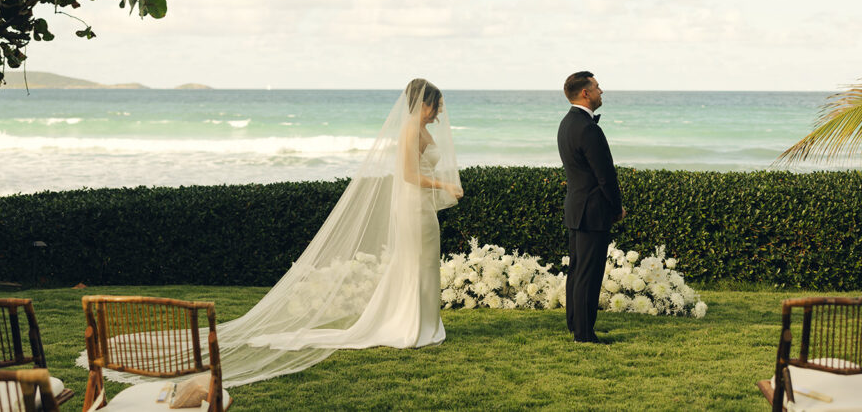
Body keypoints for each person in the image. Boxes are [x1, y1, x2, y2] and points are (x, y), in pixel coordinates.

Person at [77, 79, 463, 388]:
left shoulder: (425, 130)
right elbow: (409, 176)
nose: (438, 110)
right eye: (435, 104)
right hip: (413, 206)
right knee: (414, 263)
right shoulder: (409, 132)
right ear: (422, 103)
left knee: (423, 263)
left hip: (421, 209)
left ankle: (426, 322)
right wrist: (443, 187)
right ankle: (411, 325)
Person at [557, 71, 625, 344]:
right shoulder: (588, 129)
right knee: (589, 273)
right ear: (585, 93)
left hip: (576, 208)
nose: (601, 91)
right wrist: (617, 207)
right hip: (593, 212)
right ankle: (584, 334)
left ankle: (576, 324)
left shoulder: (566, 123)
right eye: (597, 87)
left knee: (577, 271)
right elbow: (605, 176)